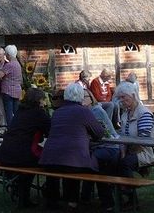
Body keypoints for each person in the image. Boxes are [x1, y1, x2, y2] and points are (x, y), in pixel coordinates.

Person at [39, 83, 105, 211]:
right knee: (78, 162)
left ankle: (52, 200)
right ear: (81, 96)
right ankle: (72, 201)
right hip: (73, 160)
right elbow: (99, 133)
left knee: (61, 165)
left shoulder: (57, 112)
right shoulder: (83, 111)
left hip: (49, 158)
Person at [0, 88, 51, 208]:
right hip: (21, 155)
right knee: (49, 161)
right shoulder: (39, 113)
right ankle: (51, 198)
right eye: (43, 100)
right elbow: (50, 131)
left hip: (5, 153)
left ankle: (22, 194)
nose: (44, 103)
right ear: (38, 101)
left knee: (30, 161)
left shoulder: (19, 112)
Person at [115, 80, 154, 175]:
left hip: (150, 152)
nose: (121, 100)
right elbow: (123, 136)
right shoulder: (125, 114)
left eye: (123, 97)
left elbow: (143, 141)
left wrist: (128, 154)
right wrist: (123, 152)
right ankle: (115, 188)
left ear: (133, 96)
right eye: (119, 98)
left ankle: (128, 189)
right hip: (133, 150)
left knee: (125, 163)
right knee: (111, 159)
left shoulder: (144, 113)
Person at [0, 44, 22, 126]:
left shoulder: (9, 65)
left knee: (9, 113)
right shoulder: (18, 64)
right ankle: (17, 128)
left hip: (8, 91)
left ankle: (11, 130)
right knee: (16, 112)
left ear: (8, 55)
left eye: (6, 54)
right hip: (17, 91)